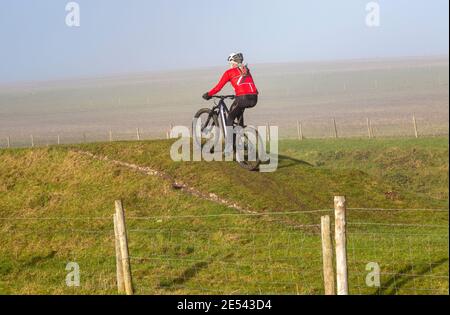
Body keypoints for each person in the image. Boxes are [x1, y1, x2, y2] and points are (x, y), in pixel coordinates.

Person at [202, 52, 259, 127]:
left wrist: (208, 94)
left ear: (232, 63)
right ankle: (240, 132)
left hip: (242, 98)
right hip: (254, 98)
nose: (230, 66)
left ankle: (229, 139)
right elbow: (247, 86)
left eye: (230, 63)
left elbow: (218, 87)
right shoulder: (246, 70)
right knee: (237, 111)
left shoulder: (229, 72)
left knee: (230, 118)